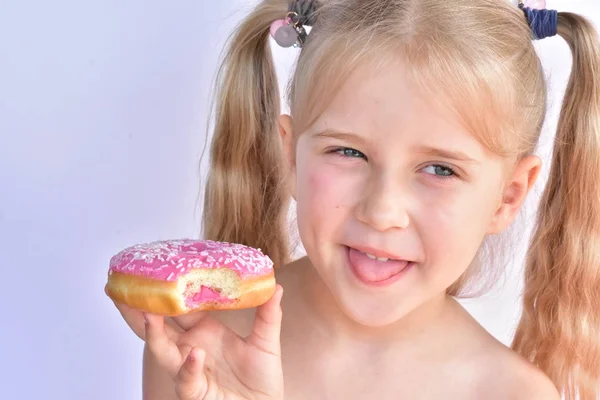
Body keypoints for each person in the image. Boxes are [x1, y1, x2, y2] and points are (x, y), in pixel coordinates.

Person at [113, 0, 600, 398]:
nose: (382, 211)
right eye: (348, 151)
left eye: (440, 169)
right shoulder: (202, 342)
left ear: (507, 197)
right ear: (291, 157)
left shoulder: (509, 394)